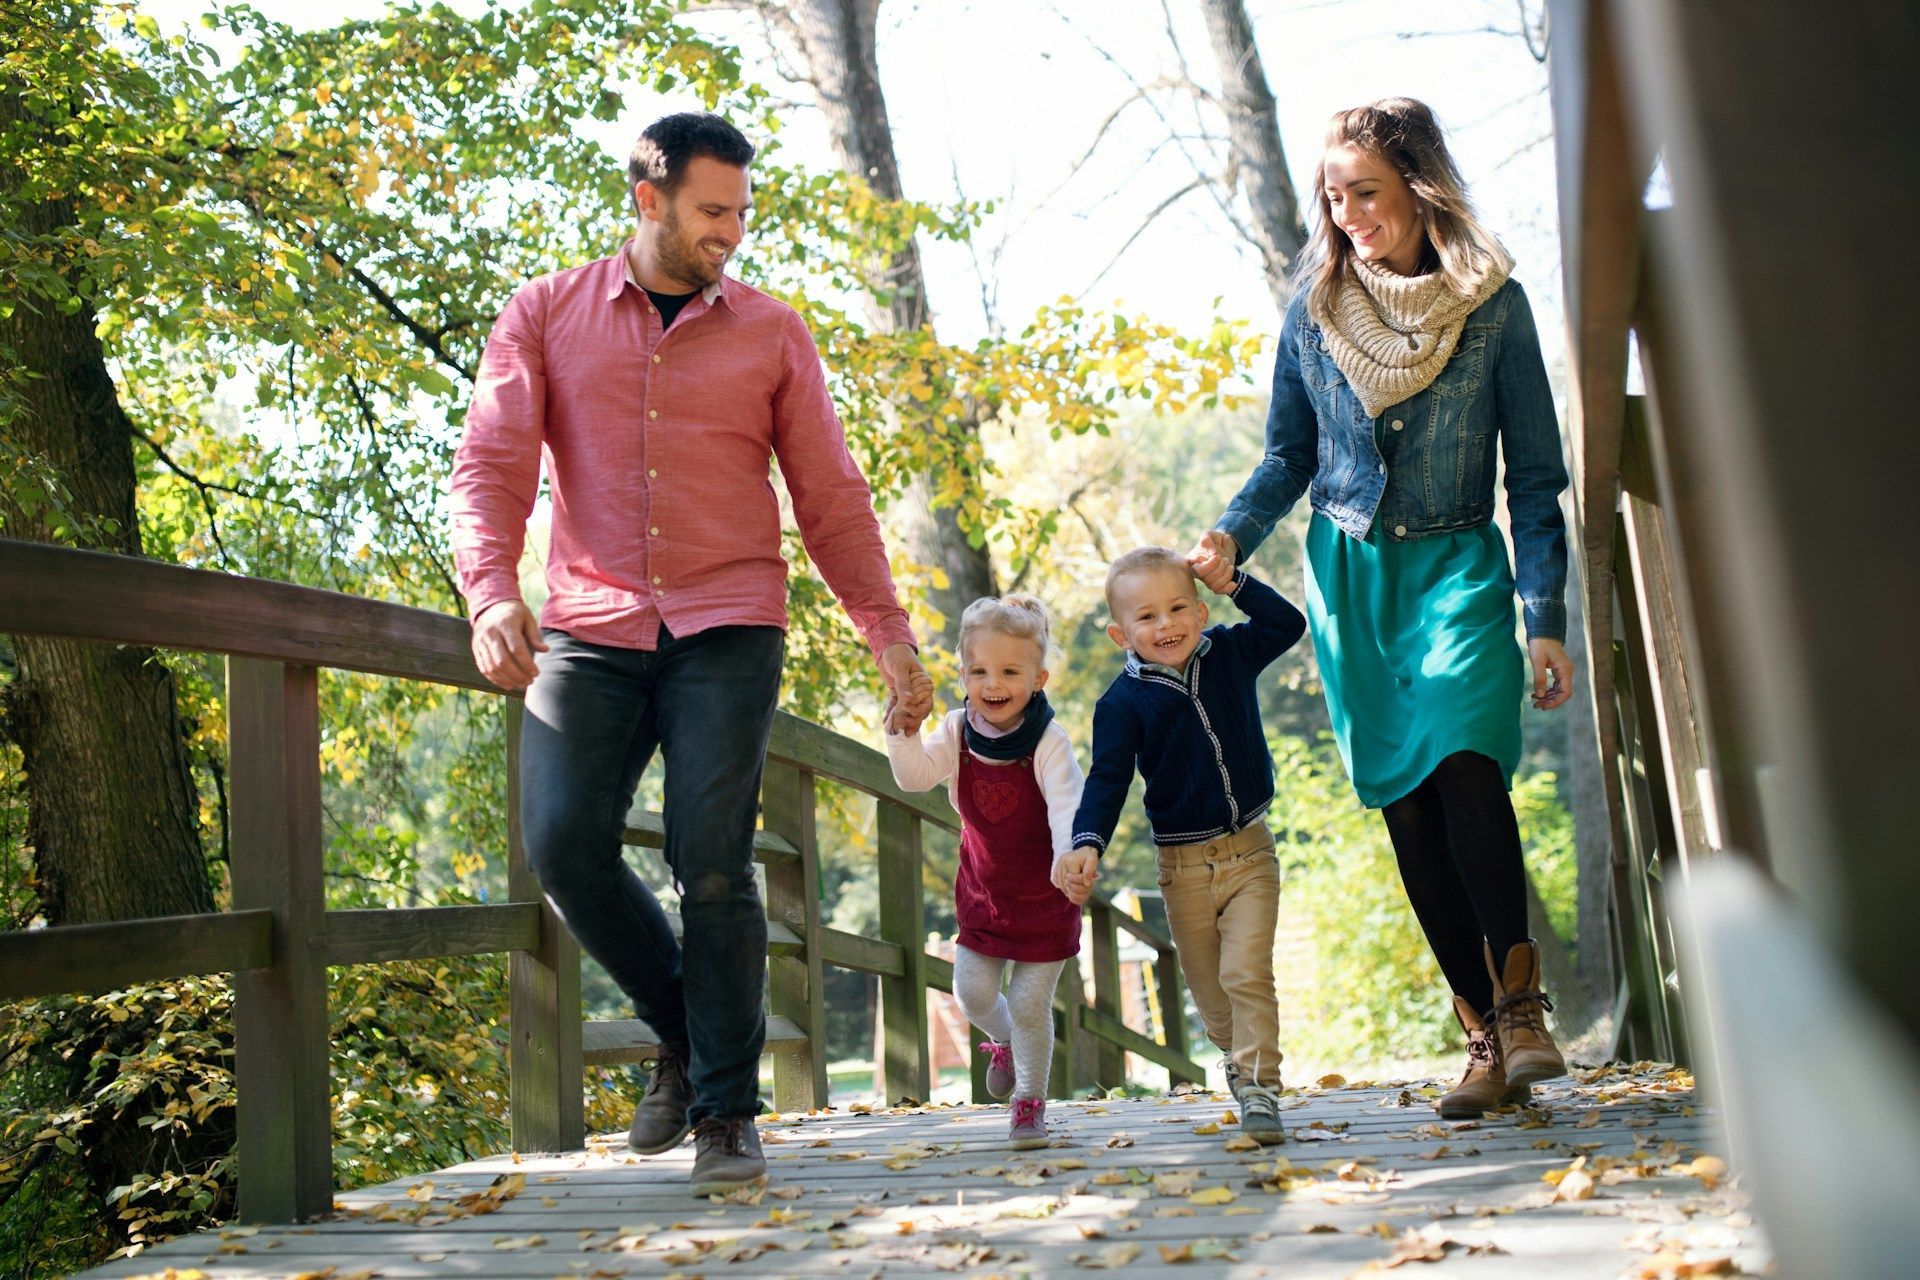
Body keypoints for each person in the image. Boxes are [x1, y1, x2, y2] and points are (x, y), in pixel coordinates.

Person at [450, 112, 934, 1196]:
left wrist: (888, 633)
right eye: (713, 212)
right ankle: (689, 1026)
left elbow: (831, 495)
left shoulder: (771, 331)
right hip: (590, 616)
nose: (731, 234)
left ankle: (725, 1109)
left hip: (730, 618)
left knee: (711, 855)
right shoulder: (544, 313)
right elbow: (490, 464)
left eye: (741, 214)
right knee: (564, 839)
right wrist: (490, 594)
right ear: (648, 198)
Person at [1190, 97, 1573, 1118]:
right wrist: (1234, 532)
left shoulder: (1493, 305)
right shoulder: (1315, 309)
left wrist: (1545, 616)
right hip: (1353, 578)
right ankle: (1483, 1036)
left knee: (1463, 762)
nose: (1350, 212)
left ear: (1419, 184)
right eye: (1335, 196)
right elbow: (1288, 453)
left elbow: (1536, 476)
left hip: (1456, 567)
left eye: (1367, 190)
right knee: (1407, 811)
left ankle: (1525, 1003)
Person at [1060, 547, 1305, 1145]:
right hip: (1183, 868)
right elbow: (1108, 778)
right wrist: (1086, 841)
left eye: (1176, 609)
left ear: (1199, 612)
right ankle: (1234, 1053)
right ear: (1121, 633)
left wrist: (1234, 582)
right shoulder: (1120, 704)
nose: (1165, 625)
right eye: (1146, 617)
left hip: (1251, 853)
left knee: (1247, 972)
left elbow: (1287, 625)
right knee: (1212, 995)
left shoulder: (1229, 655)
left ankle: (1258, 1090)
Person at [885, 595, 1083, 1149]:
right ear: (963, 673)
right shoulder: (955, 730)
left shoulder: (1049, 742)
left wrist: (1072, 855)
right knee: (971, 992)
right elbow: (915, 778)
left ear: (1039, 678)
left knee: (1028, 1004)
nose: (993, 683)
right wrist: (902, 732)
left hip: (1046, 896)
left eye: (1010, 672)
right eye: (979, 671)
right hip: (985, 896)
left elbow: (1070, 806)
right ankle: (1006, 1041)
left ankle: (1029, 1103)